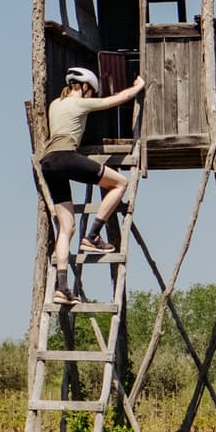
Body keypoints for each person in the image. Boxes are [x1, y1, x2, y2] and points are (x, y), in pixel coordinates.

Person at [39, 66, 146, 303]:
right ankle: (93, 235)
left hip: (47, 162)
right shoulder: (80, 103)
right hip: (66, 156)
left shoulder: (55, 104)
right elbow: (115, 100)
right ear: (86, 87)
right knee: (120, 183)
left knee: (66, 227)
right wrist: (138, 87)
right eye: (91, 91)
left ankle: (62, 288)